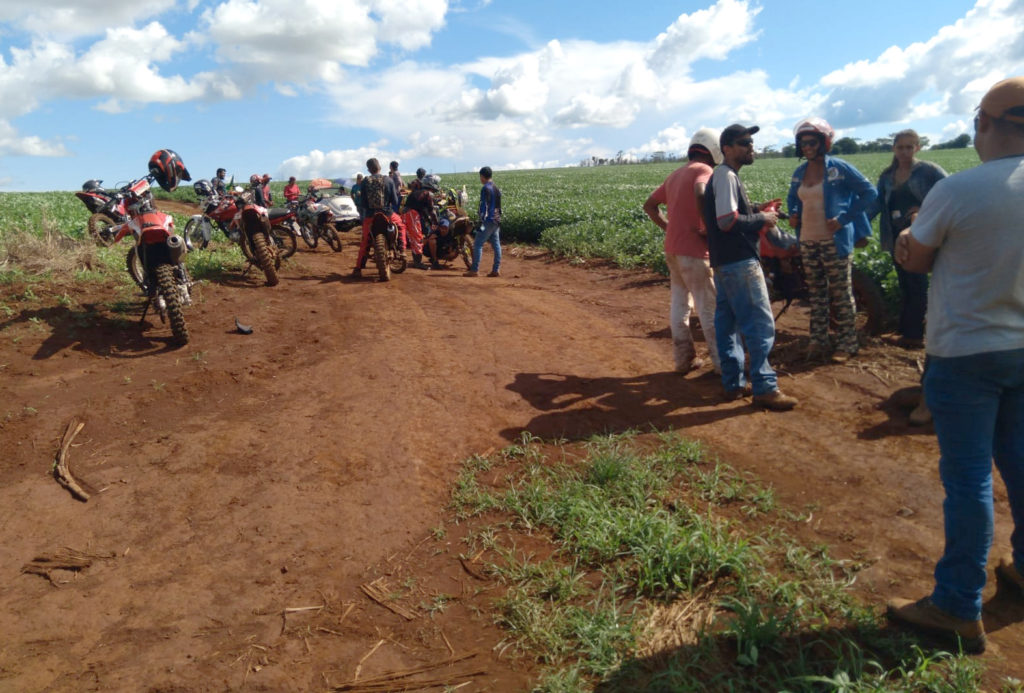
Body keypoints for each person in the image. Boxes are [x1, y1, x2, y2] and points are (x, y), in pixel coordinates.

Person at [886, 76, 1024, 655]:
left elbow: (915, 261)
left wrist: (906, 235)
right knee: (1020, 463)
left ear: (984, 123)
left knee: (968, 480)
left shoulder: (959, 190)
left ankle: (956, 605)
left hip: (965, 353)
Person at [703, 124, 797, 411]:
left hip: (725, 263)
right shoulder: (726, 175)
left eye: (751, 142)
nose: (750, 147)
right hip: (740, 262)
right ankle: (765, 387)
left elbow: (728, 214)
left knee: (728, 325)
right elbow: (727, 221)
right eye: (744, 142)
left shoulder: (724, 176)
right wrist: (763, 219)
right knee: (759, 325)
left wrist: (756, 209)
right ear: (727, 148)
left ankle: (733, 384)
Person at [786, 117, 877, 364]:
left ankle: (848, 343)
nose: (807, 147)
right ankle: (818, 341)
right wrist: (793, 214)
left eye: (812, 142)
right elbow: (793, 198)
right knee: (816, 293)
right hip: (808, 240)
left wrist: (844, 218)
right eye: (803, 143)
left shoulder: (839, 168)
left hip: (834, 242)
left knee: (841, 293)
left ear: (824, 143)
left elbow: (869, 193)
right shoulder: (800, 172)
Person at [643, 127, 723, 374]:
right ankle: (723, 365)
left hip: (673, 249)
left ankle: (683, 360)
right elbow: (701, 191)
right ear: (714, 150)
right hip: (695, 252)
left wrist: (669, 228)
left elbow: (649, 206)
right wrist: (708, 227)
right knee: (709, 308)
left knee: (680, 305)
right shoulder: (704, 170)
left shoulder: (675, 175)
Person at [870, 130, 948, 350]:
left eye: (909, 147)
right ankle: (905, 330)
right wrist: (857, 225)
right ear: (893, 149)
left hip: (921, 235)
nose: (904, 151)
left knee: (917, 284)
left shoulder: (929, 171)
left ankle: (914, 335)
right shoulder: (887, 176)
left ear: (917, 148)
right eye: (900, 147)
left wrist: (923, 209)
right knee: (905, 283)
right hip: (895, 236)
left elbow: (950, 194)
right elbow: (877, 204)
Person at [354, 158, 406, 277]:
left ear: (368, 170)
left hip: (370, 217)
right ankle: (402, 250)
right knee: (401, 226)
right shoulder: (388, 180)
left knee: (365, 241)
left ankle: (358, 268)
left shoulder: (365, 182)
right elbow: (395, 201)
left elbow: (362, 203)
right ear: (380, 167)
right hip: (388, 215)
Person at [465, 166, 502, 277]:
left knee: (477, 243)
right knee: (496, 245)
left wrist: (480, 221)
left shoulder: (485, 188)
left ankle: (474, 270)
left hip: (487, 221)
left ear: (482, 176)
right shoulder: (496, 188)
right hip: (496, 221)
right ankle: (496, 269)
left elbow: (483, 206)